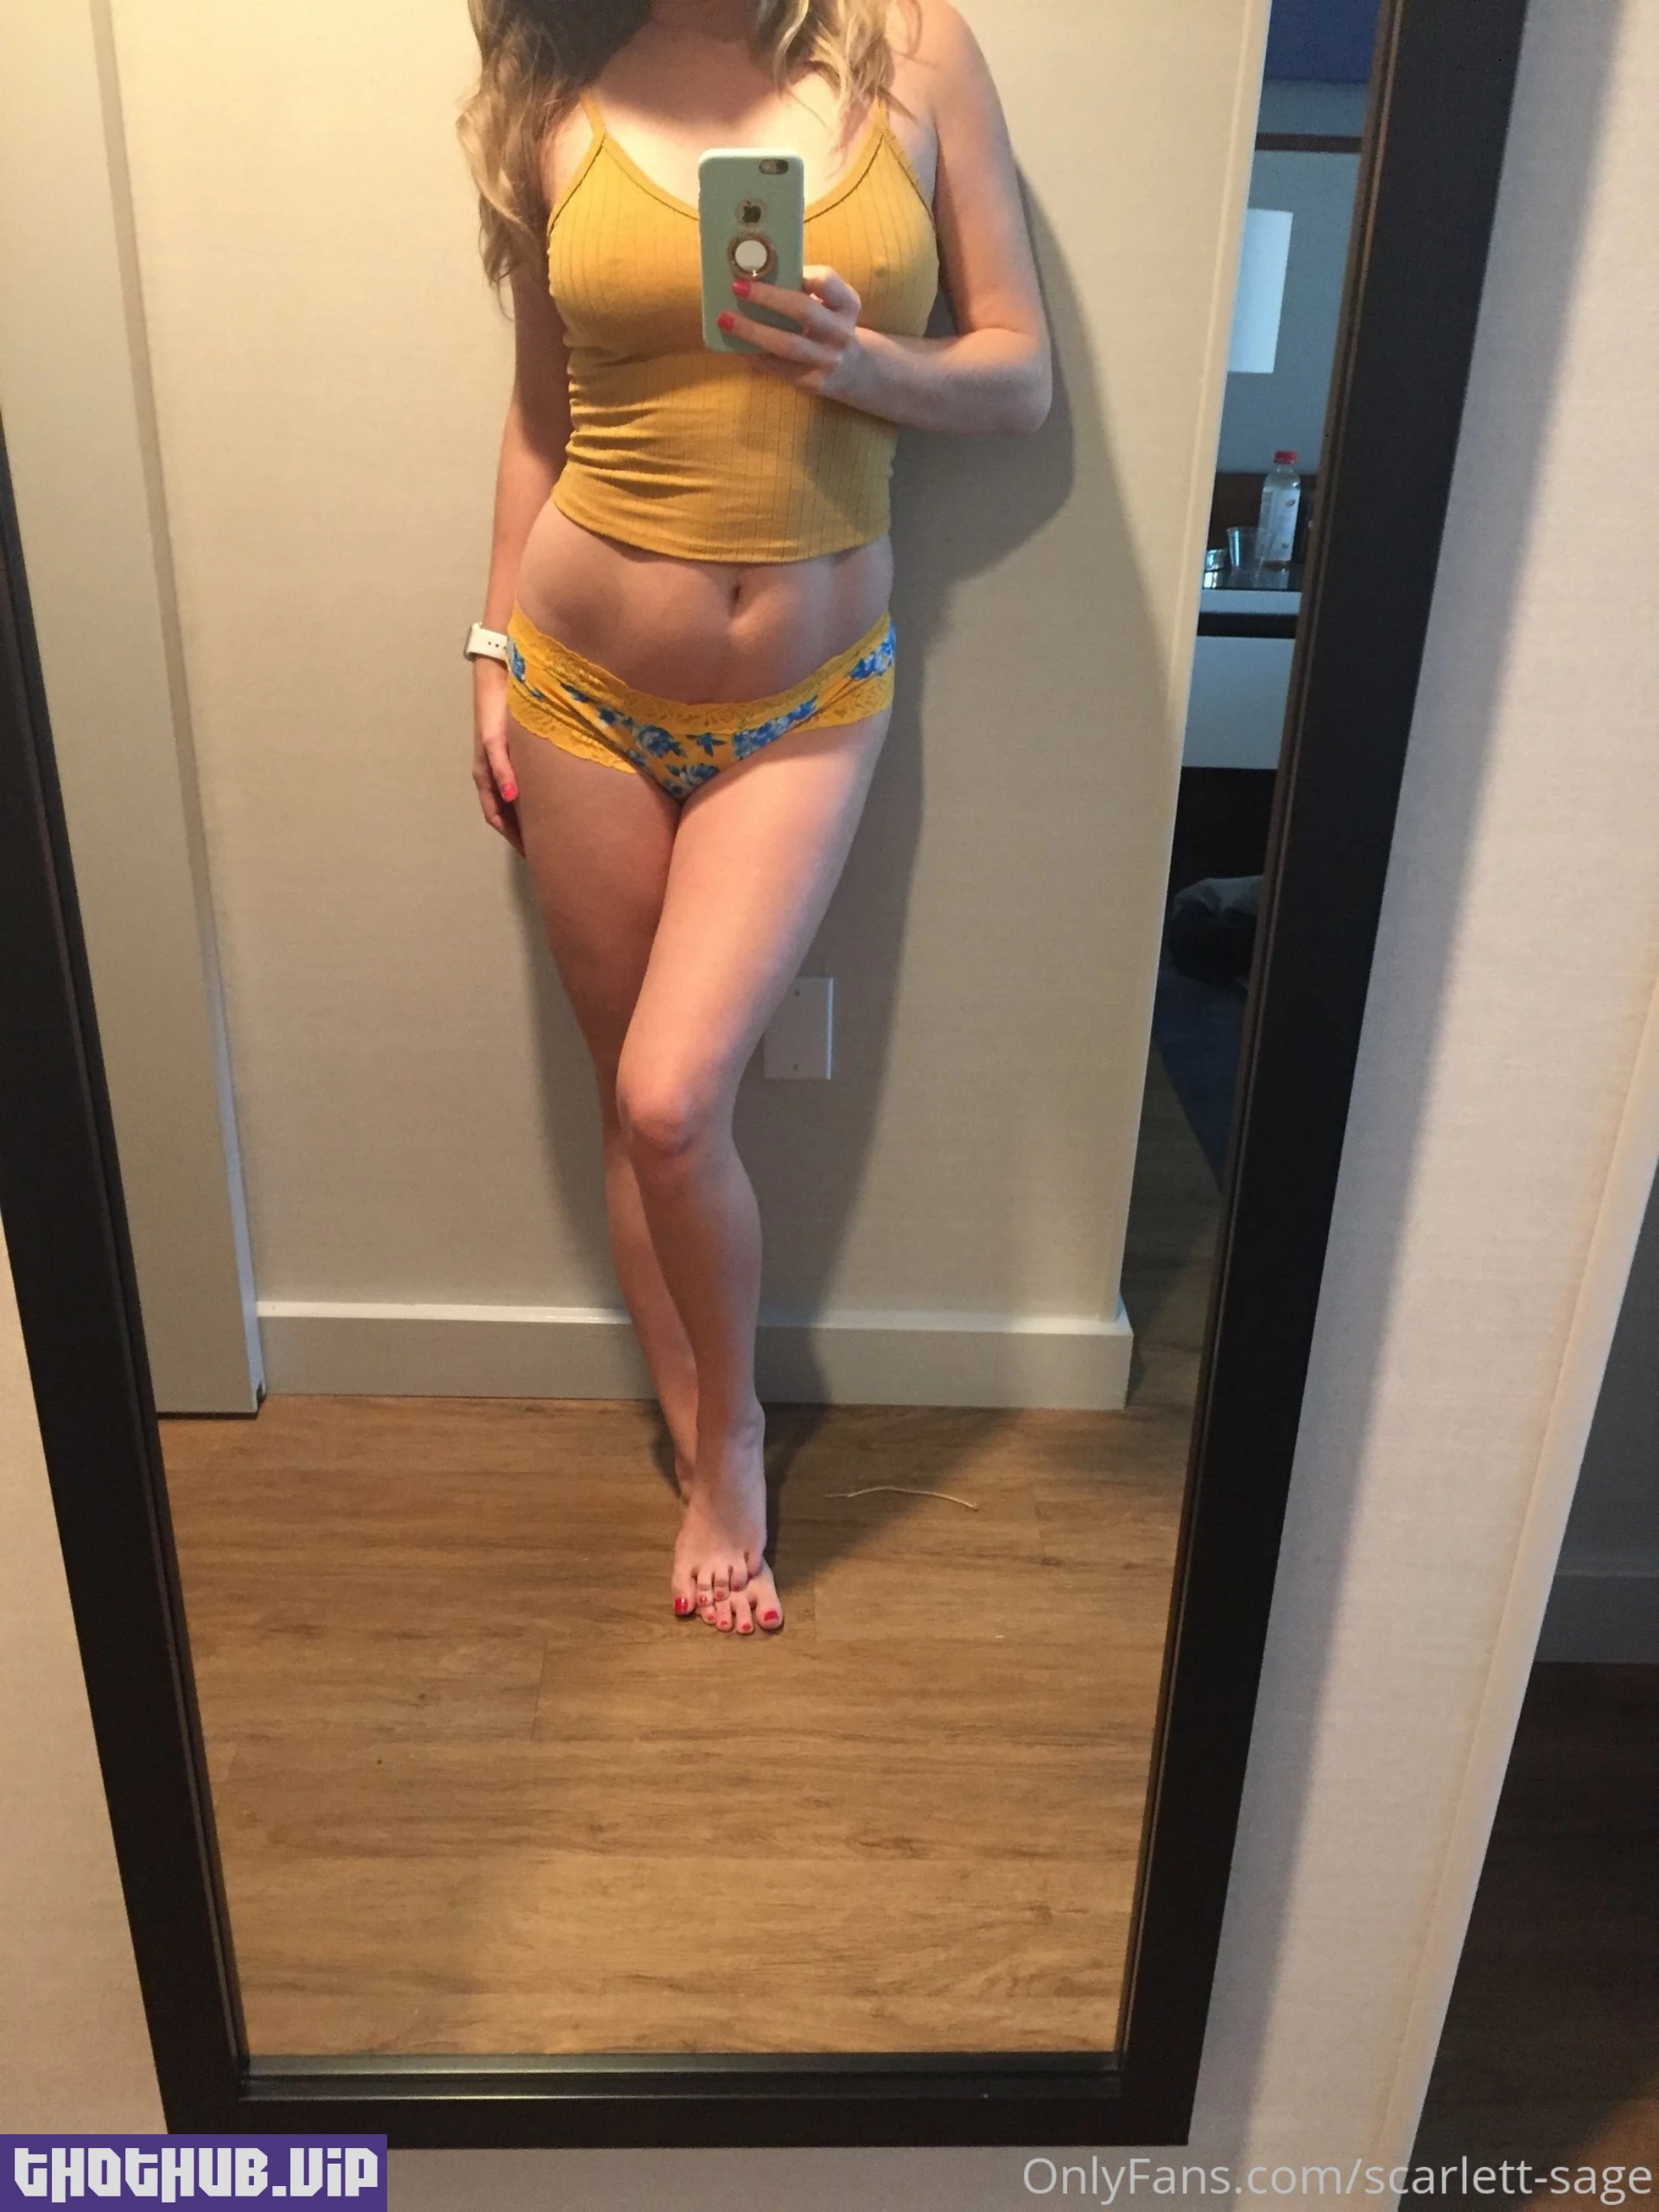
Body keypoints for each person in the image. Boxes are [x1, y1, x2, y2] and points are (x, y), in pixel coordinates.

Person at [459, 0, 1050, 1637]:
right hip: (578, 686)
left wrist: (863, 365)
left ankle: (736, 1436)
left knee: (672, 1099)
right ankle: (703, 1437)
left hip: (806, 701)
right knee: (630, 1103)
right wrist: (490, 653)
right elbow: (540, 419)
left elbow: (1020, 379)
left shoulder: (914, 49)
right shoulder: (552, 77)